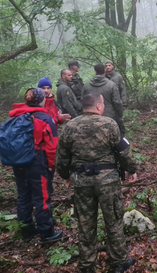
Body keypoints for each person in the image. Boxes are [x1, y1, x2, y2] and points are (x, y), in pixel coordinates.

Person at [56, 93, 137, 273]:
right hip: (107, 181)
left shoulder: (69, 127)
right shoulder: (109, 124)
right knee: (114, 220)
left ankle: (86, 265)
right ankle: (119, 261)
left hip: (81, 181)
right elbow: (123, 151)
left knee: (85, 223)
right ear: (99, 106)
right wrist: (132, 169)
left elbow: (61, 157)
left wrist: (65, 175)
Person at [6, 88, 62, 243]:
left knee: (23, 196)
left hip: (19, 162)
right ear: (40, 100)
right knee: (42, 197)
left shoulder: (17, 116)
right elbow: (52, 145)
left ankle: (26, 230)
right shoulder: (44, 118)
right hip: (38, 162)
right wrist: (52, 165)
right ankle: (46, 233)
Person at [82, 64, 125, 136]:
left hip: (90, 118)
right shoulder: (111, 85)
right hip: (109, 116)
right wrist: (120, 115)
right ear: (104, 72)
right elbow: (117, 102)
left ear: (95, 72)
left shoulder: (86, 86)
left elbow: (82, 101)